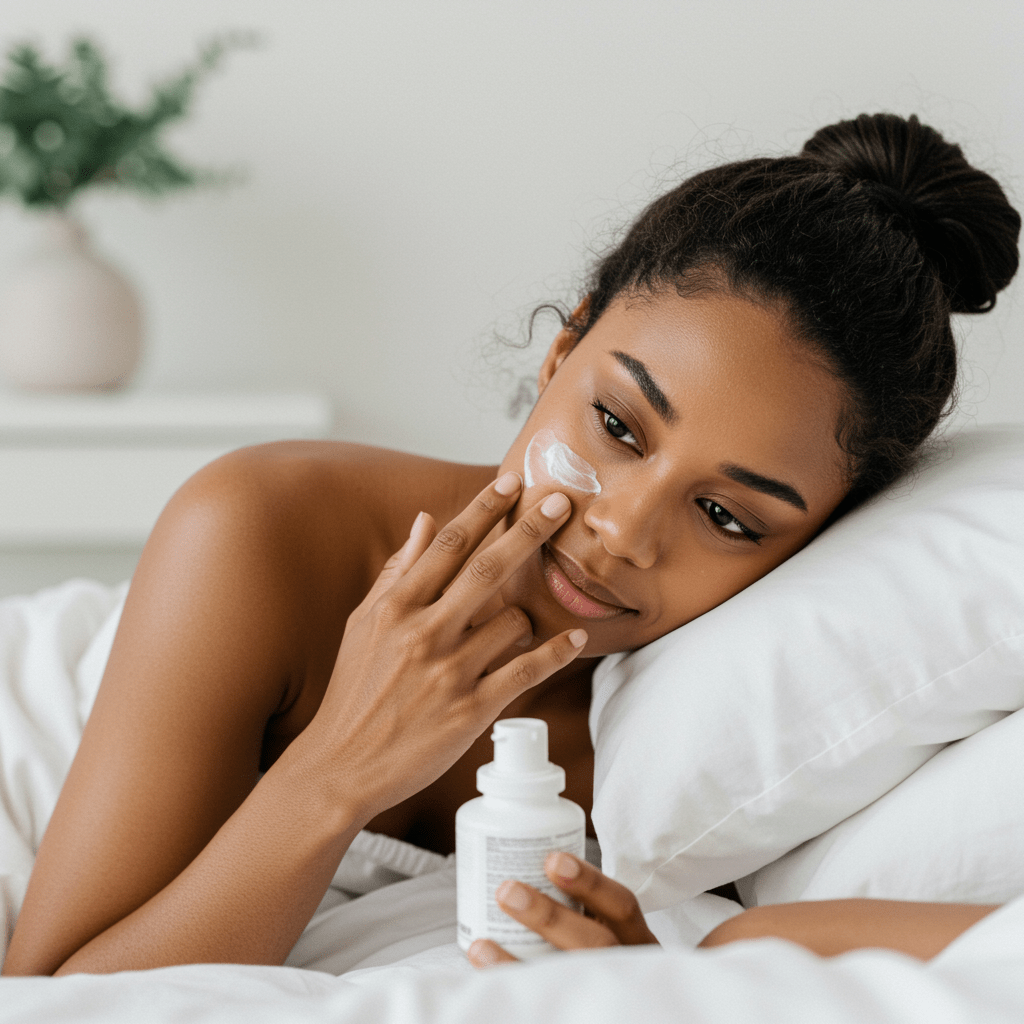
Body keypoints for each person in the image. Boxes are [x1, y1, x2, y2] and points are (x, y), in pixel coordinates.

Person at [3, 113, 1018, 978]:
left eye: (726, 518)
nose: (619, 531)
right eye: (617, 426)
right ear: (563, 348)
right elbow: (52, 990)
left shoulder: (716, 744)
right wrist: (340, 768)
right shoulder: (262, 532)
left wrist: (667, 976)